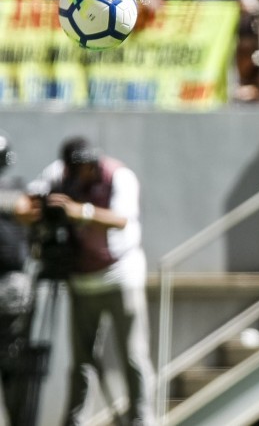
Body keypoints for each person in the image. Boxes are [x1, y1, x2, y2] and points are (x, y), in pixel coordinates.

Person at [14, 137, 156, 426]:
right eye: (75, 169)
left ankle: (142, 419)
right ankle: (75, 421)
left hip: (120, 277)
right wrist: (38, 212)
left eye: (85, 168)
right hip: (81, 280)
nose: (81, 174)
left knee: (133, 356)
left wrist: (81, 212)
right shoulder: (59, 172)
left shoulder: (119, 176)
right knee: (81, 362)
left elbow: (121, 220)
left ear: (95, 162)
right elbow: (26, 204)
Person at [0, 133, 30, 426]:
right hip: (12, 286)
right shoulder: (19, 194)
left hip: (10, 286)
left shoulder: (18, 192)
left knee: (13, 364)